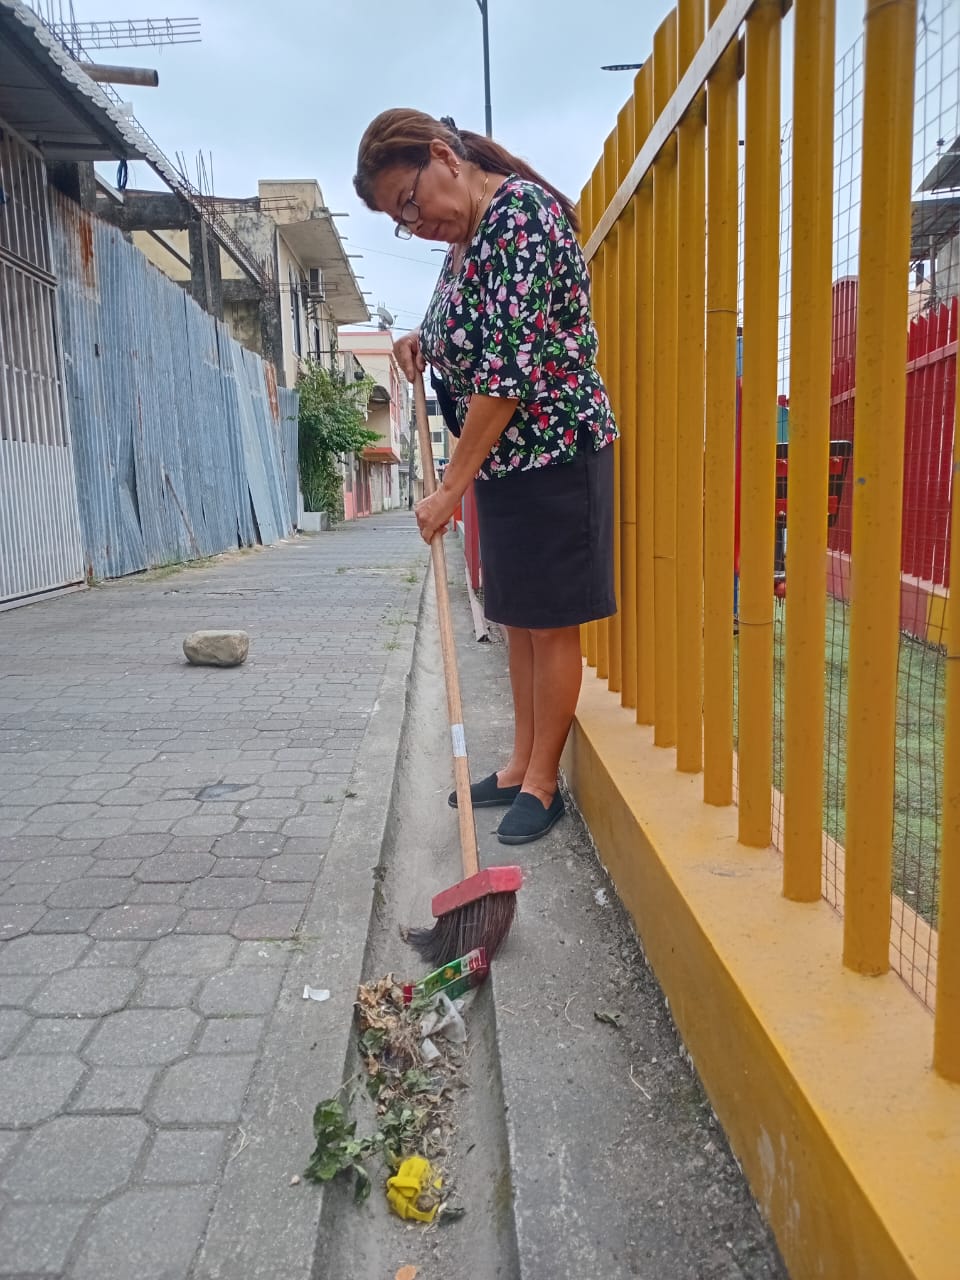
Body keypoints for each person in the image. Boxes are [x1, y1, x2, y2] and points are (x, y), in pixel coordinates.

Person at [354, 109, 617, 845]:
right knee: (521, 620)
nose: (415, 225)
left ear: (443, 156)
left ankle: (544, 782)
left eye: (410, 203)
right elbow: (465, 330)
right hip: (505, 459)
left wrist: (448, 490)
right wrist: (420, 342)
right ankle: (519, 766)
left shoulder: (520, 218)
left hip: (557, 450)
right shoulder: (466, 241)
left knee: (551, 623)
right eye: (400, 222)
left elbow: (505, 377)